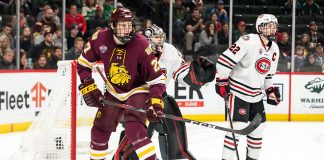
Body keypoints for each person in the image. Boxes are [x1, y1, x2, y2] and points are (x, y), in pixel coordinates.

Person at [113, 24, 216, 160]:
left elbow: (179, 72)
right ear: (148, 39)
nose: (160, 40)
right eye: (156, 38)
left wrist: (196, 76)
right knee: (137, 136)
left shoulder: (170, 51)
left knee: (176, 128)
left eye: (161, 37)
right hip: (138, 100)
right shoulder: (135, 50)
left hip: (161, 98)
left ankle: (178, 156)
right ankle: (126, 157)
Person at [77, 7, 166, 160]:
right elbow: (83, 64)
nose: (127, 29)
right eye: (122, 25)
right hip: (113, 90)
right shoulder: (100, 38)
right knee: (98, 132)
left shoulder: (141, 44)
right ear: (112, 26)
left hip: (138, 88)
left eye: (129, 25)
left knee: (134, 130)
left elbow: (158, 80)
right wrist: (88, 85)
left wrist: (155, 104)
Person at [215, 14, 281, 160]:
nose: (272, 29)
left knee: (258, 130)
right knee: (236, 129)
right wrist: (221, 81)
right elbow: (223, 61)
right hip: (238, 93)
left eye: (274, 26)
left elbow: (268, 76)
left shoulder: (275, 49)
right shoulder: (248, 41)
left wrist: (270, 91)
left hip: (256, 96)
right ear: (259, 28)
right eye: (268, 26)